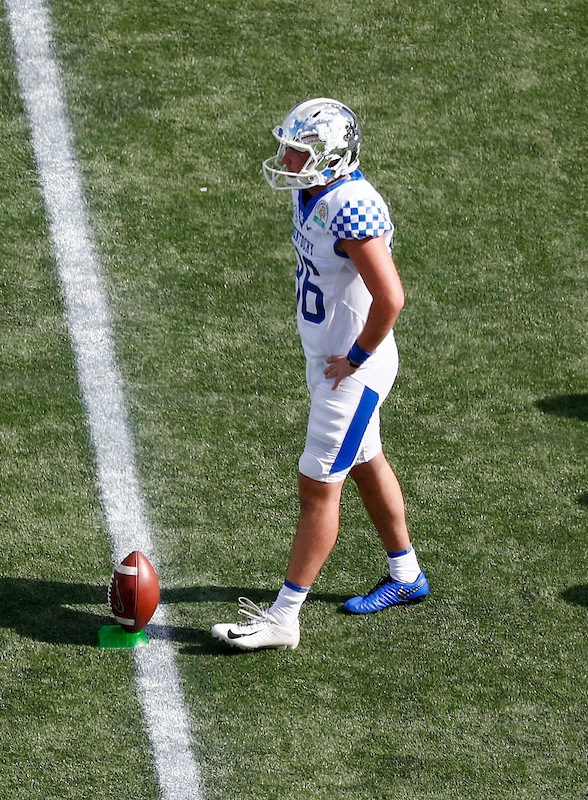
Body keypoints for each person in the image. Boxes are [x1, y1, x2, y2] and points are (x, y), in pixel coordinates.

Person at [212, 98, 428, 651]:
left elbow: (392, 297)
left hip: (351, 371)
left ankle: (284, 618)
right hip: (332, 361)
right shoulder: (312, 191)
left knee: (316, 488)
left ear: (331, 157)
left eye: (299, 150)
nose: (286, 157)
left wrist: (355, 358)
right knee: (363, 461)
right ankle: (406, 575)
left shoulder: (352, 205)